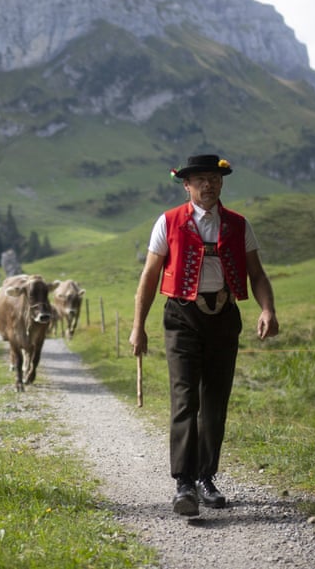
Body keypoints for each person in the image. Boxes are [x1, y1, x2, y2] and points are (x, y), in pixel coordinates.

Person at [129, 154, 279, 517]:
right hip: (182, 317)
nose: (208, 185)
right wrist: (138, 326)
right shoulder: (167, 222)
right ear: (187, 185)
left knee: (214, 405)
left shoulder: (239, 225)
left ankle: (205, 477)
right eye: (200, 180)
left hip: (224, 318)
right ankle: (184, 483)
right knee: (185, 400)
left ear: (222, 183)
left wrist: (267, 309)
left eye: (214, 178)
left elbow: (256, 274)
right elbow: (149, 277)